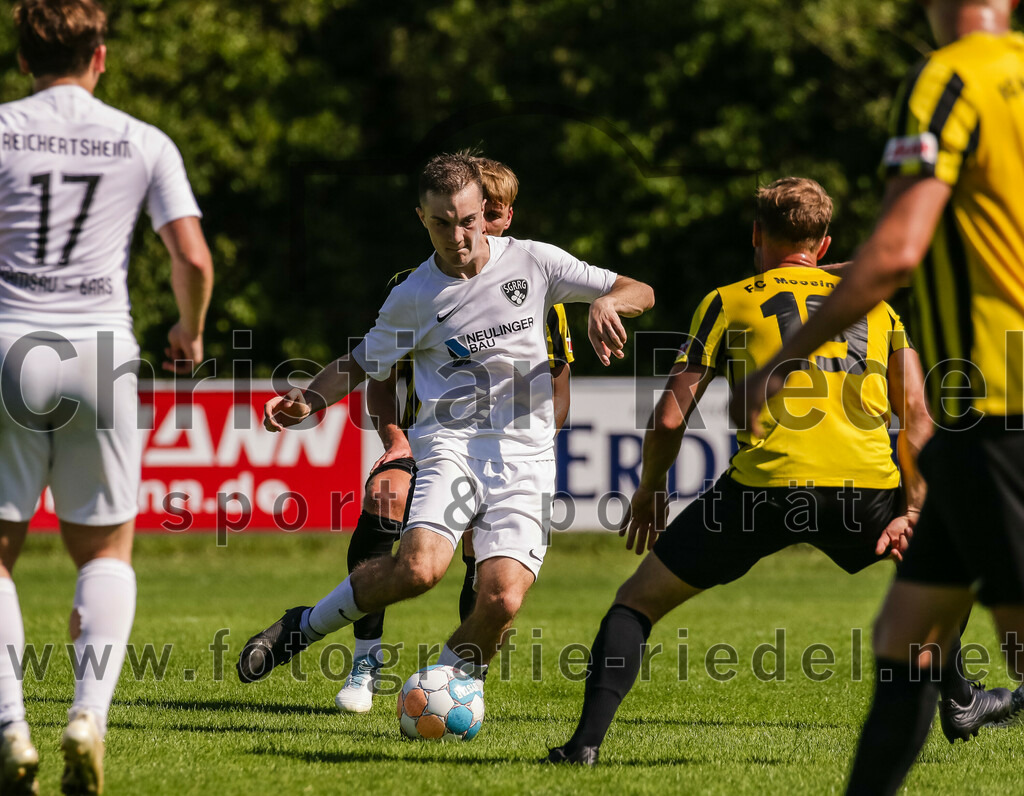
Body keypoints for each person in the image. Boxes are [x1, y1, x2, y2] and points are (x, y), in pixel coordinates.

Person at [545, 177, 1010, 767]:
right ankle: (962, 697)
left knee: (634, 604)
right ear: (825, 241)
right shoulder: (878, 306)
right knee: (953, 562)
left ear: (757, 233)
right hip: (865, 490)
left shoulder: (727, 300)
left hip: (763, 490)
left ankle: (584, 746)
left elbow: (668, 418)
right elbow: (918, 418)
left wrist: (649, 491)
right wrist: (914, 510)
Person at [237, 152, 653, 705]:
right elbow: (362, 365)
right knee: (419, 569)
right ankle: (306, 624)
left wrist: (607, 302)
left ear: (485, 210)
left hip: (526, 458)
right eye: (441, 223)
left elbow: (638, 288)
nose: (457, 236)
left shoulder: (534, 262)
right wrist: (308, 399)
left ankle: (441, 689)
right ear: (421, 218)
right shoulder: (413, 295)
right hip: (450, 448)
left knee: (502, 600)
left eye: (466, 220)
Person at [734, 2, 1024, 792]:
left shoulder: (949, 76)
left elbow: (898, 248)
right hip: (985, 411)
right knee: (907, 636)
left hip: (997, 406)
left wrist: (781, 361)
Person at [0, 2, 213, 793]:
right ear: (101, 57)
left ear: (23, 60)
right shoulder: (142, 140)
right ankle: (88, 715)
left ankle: (10, 729)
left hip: (8, 341)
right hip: (101, 351)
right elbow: (190, 256)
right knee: (106, 551)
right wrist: (188, 332)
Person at [332, 157, 576, 713]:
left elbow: (559, 390)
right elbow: (377, 372)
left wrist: (529, 447)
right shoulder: (415, 287)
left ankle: (463, 674)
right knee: (384, 497)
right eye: (474, 214)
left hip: (506, 453)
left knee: (490, 565)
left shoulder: (541, 292)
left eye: (494, 213)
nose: (483, 225)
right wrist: (394, 440)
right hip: (426, 439)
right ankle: (365, 658)